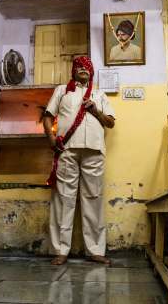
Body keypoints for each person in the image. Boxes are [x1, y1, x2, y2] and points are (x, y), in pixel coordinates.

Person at [43, 56, 116, 265]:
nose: (83, 69)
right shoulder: (62, 91)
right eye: (79, 67)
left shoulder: (99, 94)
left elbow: (110, 123)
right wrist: (50, 137)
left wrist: (96, 111)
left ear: (91, 72)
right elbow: (48, 116)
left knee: (94, 198)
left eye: (87, 67)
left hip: (94, 150)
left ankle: (94, 250)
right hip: (66, 149)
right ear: (74, 71)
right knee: (63, 199)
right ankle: (60, 250)